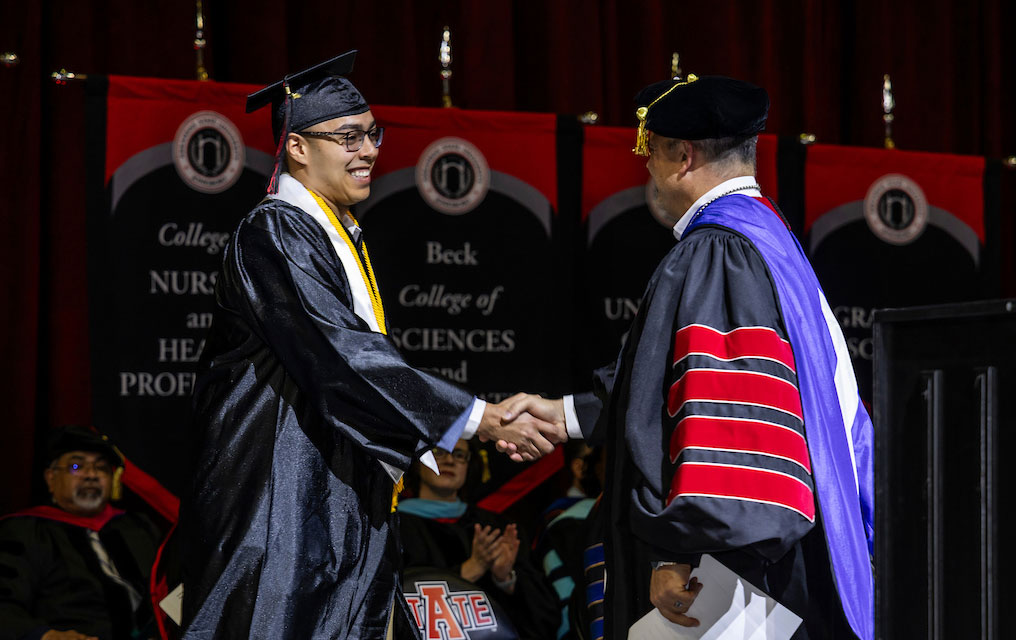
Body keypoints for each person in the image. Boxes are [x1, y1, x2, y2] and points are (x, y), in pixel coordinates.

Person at [178, 51, 563, 640]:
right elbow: (343, 357)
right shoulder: (274, 231)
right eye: (349, 136)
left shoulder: (333, 232)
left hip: (328, 495)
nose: (370, 150)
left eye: (373, 134)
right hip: (276, 495)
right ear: (299, 148)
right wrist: (478, 417)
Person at [502, 75, 875, 639]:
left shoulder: (718, 250)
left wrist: (682, 551)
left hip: (732, 577)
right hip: (781, 553)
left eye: (649, 153)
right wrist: (563, 415)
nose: (647, 170)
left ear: (682, 154)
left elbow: (729, 418)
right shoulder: (772, 239)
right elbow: (667, 386)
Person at [0, 426, 162, 640]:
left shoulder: (138, 526)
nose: (91, 475)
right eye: (77, 466)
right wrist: (46, 635)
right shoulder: (24, 531)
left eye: (102, 468)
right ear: (51, 478)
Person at [397, 440, 557, 639]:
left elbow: (546, 618)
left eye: (459, 455)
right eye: (438, 452)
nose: (449, 461)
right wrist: (470, 570)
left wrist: (506, 579)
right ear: (418, 462)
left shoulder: (497, 528)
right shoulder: (393, 526)